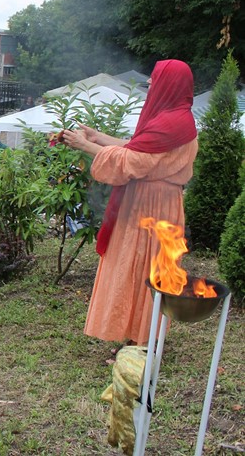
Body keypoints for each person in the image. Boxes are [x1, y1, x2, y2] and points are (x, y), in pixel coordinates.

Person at [61, 59, 199, 348]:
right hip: (149, 202)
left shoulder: (173, 124)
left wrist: (86, 145)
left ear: (170, 84)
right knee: (134, 266)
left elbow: (134, 161)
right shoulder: (174, 119)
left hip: (152, 207)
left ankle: (142, 341)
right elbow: (139, 147)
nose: (149, 83)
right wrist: (99, 137)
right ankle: (135, 335)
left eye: (155, 79)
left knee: (144, 268)